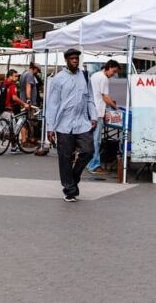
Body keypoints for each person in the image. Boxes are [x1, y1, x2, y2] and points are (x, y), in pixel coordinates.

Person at [45, 48, 96, 202]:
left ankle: (73, 178)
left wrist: (93, 116)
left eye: (76, 58)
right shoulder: (58, 79)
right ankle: (70, 190)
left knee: (88, 151)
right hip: (63, 125)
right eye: (72, 58)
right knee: (65, 157)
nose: (75, 61)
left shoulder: (85, 76)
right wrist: (50, 127)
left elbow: (90, 99)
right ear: (66, 60)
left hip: (82, 123)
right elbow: (52, 104)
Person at [0, 70, 29, 155]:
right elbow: (14, 98)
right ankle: (14, 147)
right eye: (15, 76)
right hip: (6, 111)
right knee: (14, 130)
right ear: (10, 76)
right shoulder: (12, 86)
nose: (17, 78)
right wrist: (24, 104)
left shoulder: (2, 84)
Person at [87, 59, 121, 176]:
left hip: (91, 111)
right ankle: (94, 165)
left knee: (91, 139)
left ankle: (89, 162)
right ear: (109, 67)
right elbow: (105, 97)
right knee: (96, 140)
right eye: (113, 71)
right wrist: (115, 107)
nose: (113, 74)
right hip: (98, 113)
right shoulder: (104, 79)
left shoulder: (95, 75)